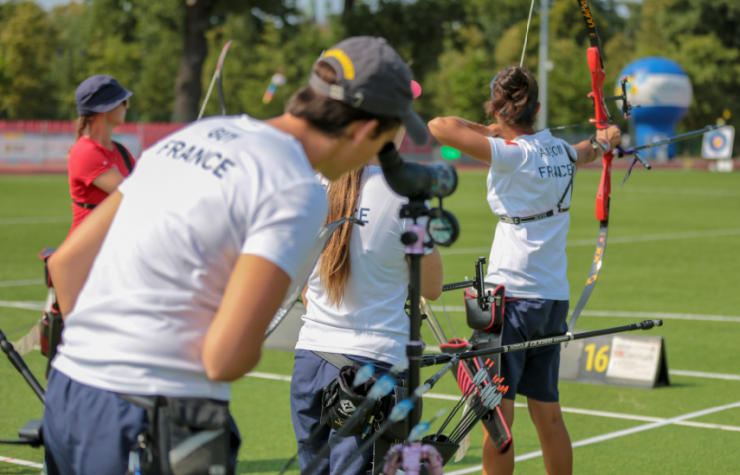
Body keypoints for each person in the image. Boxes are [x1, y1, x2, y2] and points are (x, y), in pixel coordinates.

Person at [42, 36, 429, 475]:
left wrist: (96, 362)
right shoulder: (296, 188)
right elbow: (225, 357)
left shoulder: (198, 132)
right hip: (155, 416)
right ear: (363, 131)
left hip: (69, 390)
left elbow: (66, 264)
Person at [428, 65, 621, 475]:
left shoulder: (509, 154)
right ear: (536, 107)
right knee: (548, 415)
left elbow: (439, 126)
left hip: (509, 300)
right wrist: (608, 139)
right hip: (551, 299)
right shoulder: (562, 151)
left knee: (498, 420)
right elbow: (591, 149)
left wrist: (488, 128)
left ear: (500, 110)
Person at [290, 120, 444, 475]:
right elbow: (432, 287)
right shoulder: (406, 197)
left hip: (310, 360)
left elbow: (301, 281)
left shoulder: (314, 184)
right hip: (371, 366)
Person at [68, 75, 136, 235]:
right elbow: (132, 194)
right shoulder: (86, 152)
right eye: (123, 102)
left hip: (111, 247)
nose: (126, 107)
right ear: (105, 109)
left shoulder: (121, 151)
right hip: (89, 253)